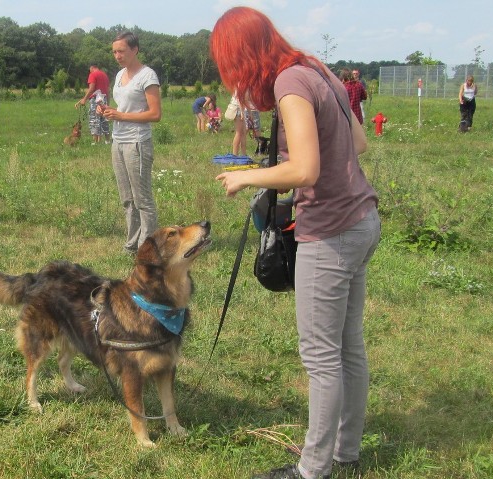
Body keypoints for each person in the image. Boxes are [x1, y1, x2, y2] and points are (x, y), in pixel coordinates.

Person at [212, 7, 380, 479]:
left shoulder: (289, 84)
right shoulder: (316, 69)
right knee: (349, 348)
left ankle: (312, 470)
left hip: (330, 232)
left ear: (241, 57)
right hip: (362, 220)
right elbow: (359, 142)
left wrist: (249, 178)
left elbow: (304, 170)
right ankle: (345, 452)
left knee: (321, 357)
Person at [100, 31, 162, 255]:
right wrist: (108, 111)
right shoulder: (119, 75)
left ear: (135, 50)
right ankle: (131, 244)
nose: (117, 55)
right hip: (118, 141)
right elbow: (122, 108)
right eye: (115, 51)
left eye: (122, 51)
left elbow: (155, 114)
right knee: (127, 199)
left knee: (142, 199)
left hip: (137, 142)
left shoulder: (148, 76)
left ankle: (147, 248)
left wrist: (121, 116)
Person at [76, 63, 111, 145]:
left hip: (95, 100)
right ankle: (107, 140)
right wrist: (108, 103)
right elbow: (108, 90)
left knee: (94, 119)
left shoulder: (93, 74)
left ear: (91, 68)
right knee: (104, 119)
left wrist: (84, 99)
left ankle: (95, 142)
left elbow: (91, 89)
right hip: (104, 99)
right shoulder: (105, 75)